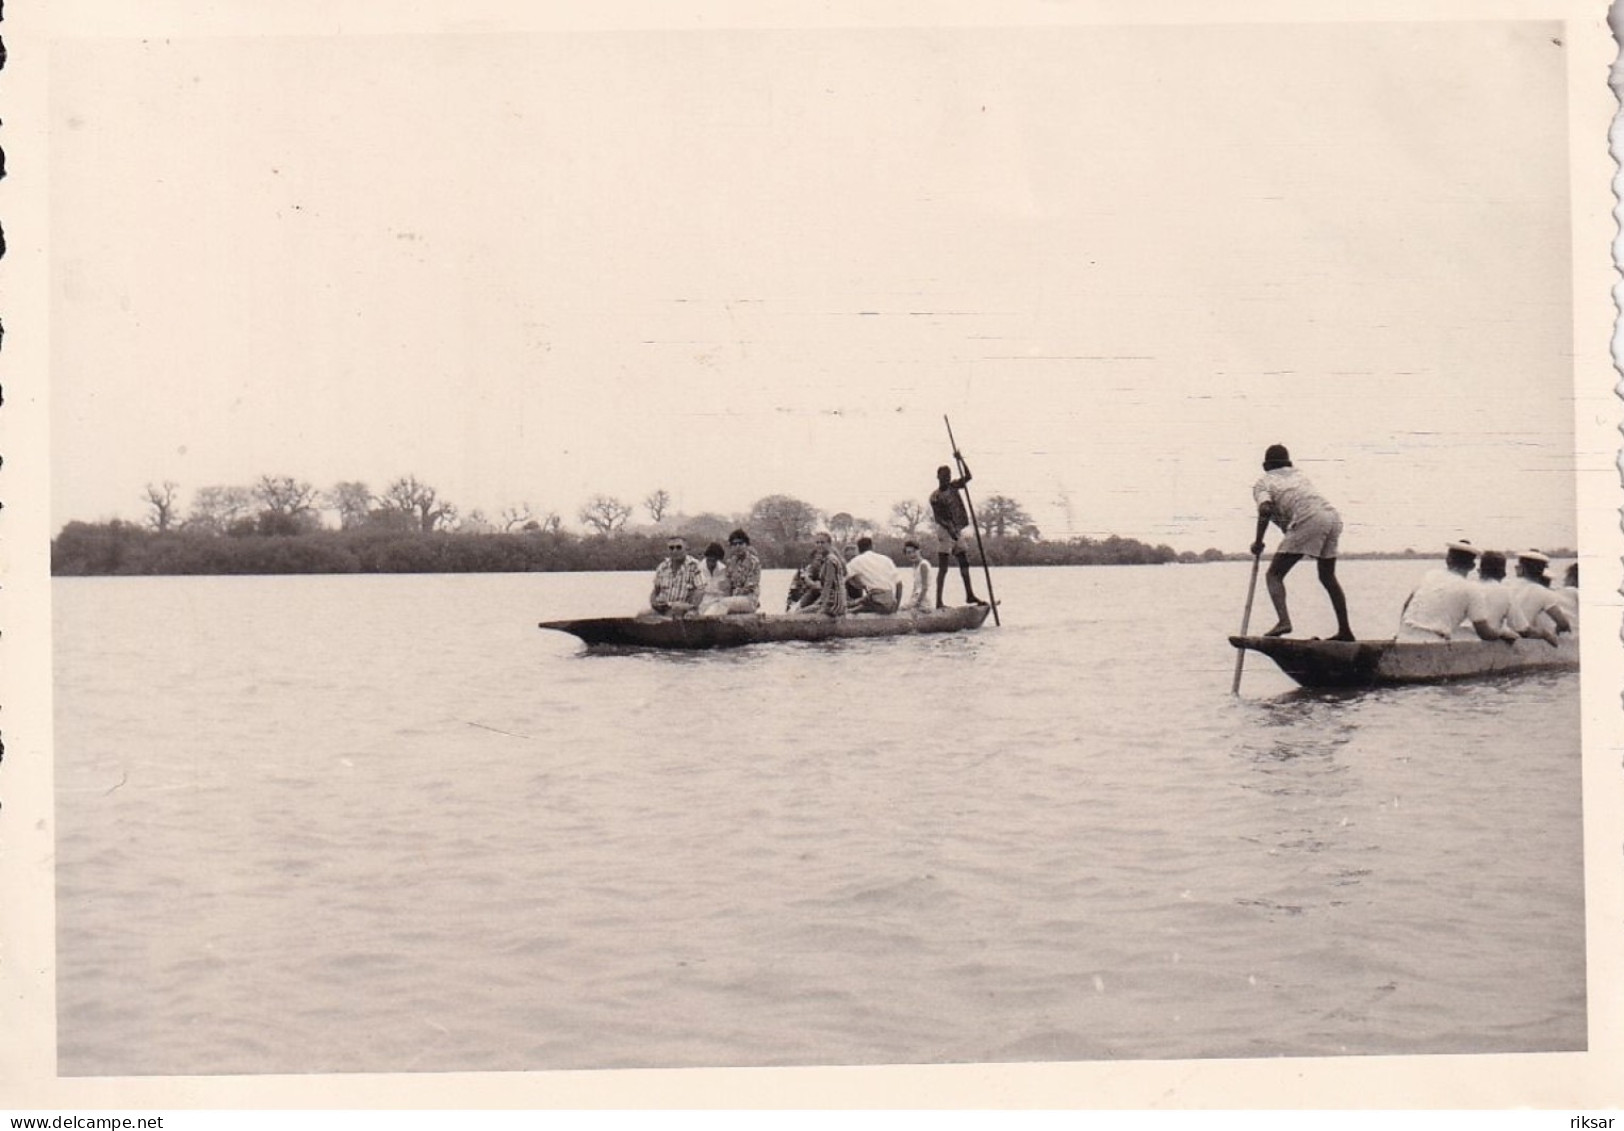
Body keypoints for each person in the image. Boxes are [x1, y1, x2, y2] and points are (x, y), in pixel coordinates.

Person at [1249, 443, 1354, 641]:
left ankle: (1284, 622)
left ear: (1266, 466)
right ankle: (1345, 631)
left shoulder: (1263, 482)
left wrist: (1258, 542)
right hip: (1332, 517)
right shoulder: (1298, 475)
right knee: (1327, 576)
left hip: (1308, 518)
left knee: (1274, 574)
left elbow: (1265, 509)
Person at [1397, 540, 1515, 642]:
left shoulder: (1429, 575)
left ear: (1448, 560)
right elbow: (1484, 633)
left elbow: (1406, 605)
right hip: (1433, 641)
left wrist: (1401, 631)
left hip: (1403, 636)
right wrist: (1501, 633)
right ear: (1472, 566)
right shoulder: (1471, 589)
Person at [929, 454, 987, 609]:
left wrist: (960, 459)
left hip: (957, 529)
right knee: (944, 566)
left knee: (964, 561)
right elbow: (939, 518)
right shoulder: (934, 496)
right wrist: (951, 530)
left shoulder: (954, 486)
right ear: (938, 477)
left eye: (948, 476)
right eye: (943, 477)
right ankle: (939, 602)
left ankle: (969, 595)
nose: (946, 479)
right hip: (944, 531)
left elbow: (968, 476)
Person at [1474, 550, 1546, 644]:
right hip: (1487, 646)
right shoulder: (1505, 593)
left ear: (1479, 570)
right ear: (1503, 573)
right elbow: (1523, 630)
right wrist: (1545, 634)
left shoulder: (1468, 588)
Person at [1508, 550, 1573, 637]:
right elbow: (1563, 624)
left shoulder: (1507, 585)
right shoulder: (1545, 593)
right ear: (1542, 571)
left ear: (1520, 568)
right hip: (1522, 637)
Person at [700, 527, 761, 616]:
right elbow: (727, 585)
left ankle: (707, 622)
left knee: (723, 603)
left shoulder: (754, 562)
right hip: (733, 599)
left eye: (740, 543)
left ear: (746, 544)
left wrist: (731, 594)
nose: (737, 546)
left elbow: (749, 587)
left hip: (749, 599)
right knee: (715, 602)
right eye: (734, 544)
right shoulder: (731, 562)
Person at [793, 531, 848, 618]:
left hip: (834, 604)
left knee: (798, 614)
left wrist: (822, 607)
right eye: (817, 542)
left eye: (823, 543)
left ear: (829, 544)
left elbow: (828, 585)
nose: (819, 545)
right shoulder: (826, 559)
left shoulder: (830, 560)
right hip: (831, 600)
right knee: (802, 610)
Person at [844, 535, 903, 614]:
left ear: (858, 549)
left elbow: (841, 579)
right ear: (872, 546)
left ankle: (850, 609)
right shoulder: (886, 559)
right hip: (890, 602)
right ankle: (854, 605)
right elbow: (899, 584)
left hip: (877, 601)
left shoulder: (857, 561)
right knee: (862, 600)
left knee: (855, 605)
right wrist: (896, 607)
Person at [648, 536, 705, 617]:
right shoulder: (662, 566)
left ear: (686, 549)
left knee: (676, 612)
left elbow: (700, 590)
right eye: (671, 548)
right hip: (663, 607)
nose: (675, 551)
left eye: (679, 547)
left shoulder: (694, 566)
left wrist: (692, 607)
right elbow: (655, 590)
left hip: (683, 608)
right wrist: (653, 603)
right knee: (642, 615)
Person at [694, 541, 731, 616]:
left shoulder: (723, 570)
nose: (711, 563)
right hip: (702, 604)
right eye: (709, 559)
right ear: (706, 557)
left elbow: (726, 592)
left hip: (719, 603)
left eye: (714, 560)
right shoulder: (698, 569)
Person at [900, 539, 933, 614]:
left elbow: (925, 587)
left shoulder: (923, 565)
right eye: (908, 553)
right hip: (917, 598)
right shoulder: (915, 566)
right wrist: (910, 602)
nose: (912, 555)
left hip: (923, 600)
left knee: (904, 610)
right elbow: (915, 587)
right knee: (901, 609)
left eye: (914, 551)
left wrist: (916, 604)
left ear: (919, 551)